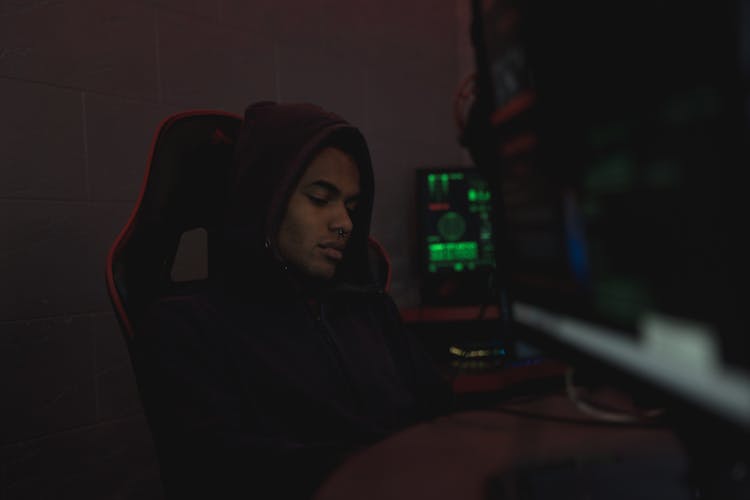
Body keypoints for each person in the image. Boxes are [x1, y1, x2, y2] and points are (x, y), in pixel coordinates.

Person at [136, 101, 453, 499]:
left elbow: (440, 411)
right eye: (320, 199)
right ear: (265, 201)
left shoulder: (371, 310)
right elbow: (219, 470)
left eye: (351, 207)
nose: (344, 225)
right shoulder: (185, 326)